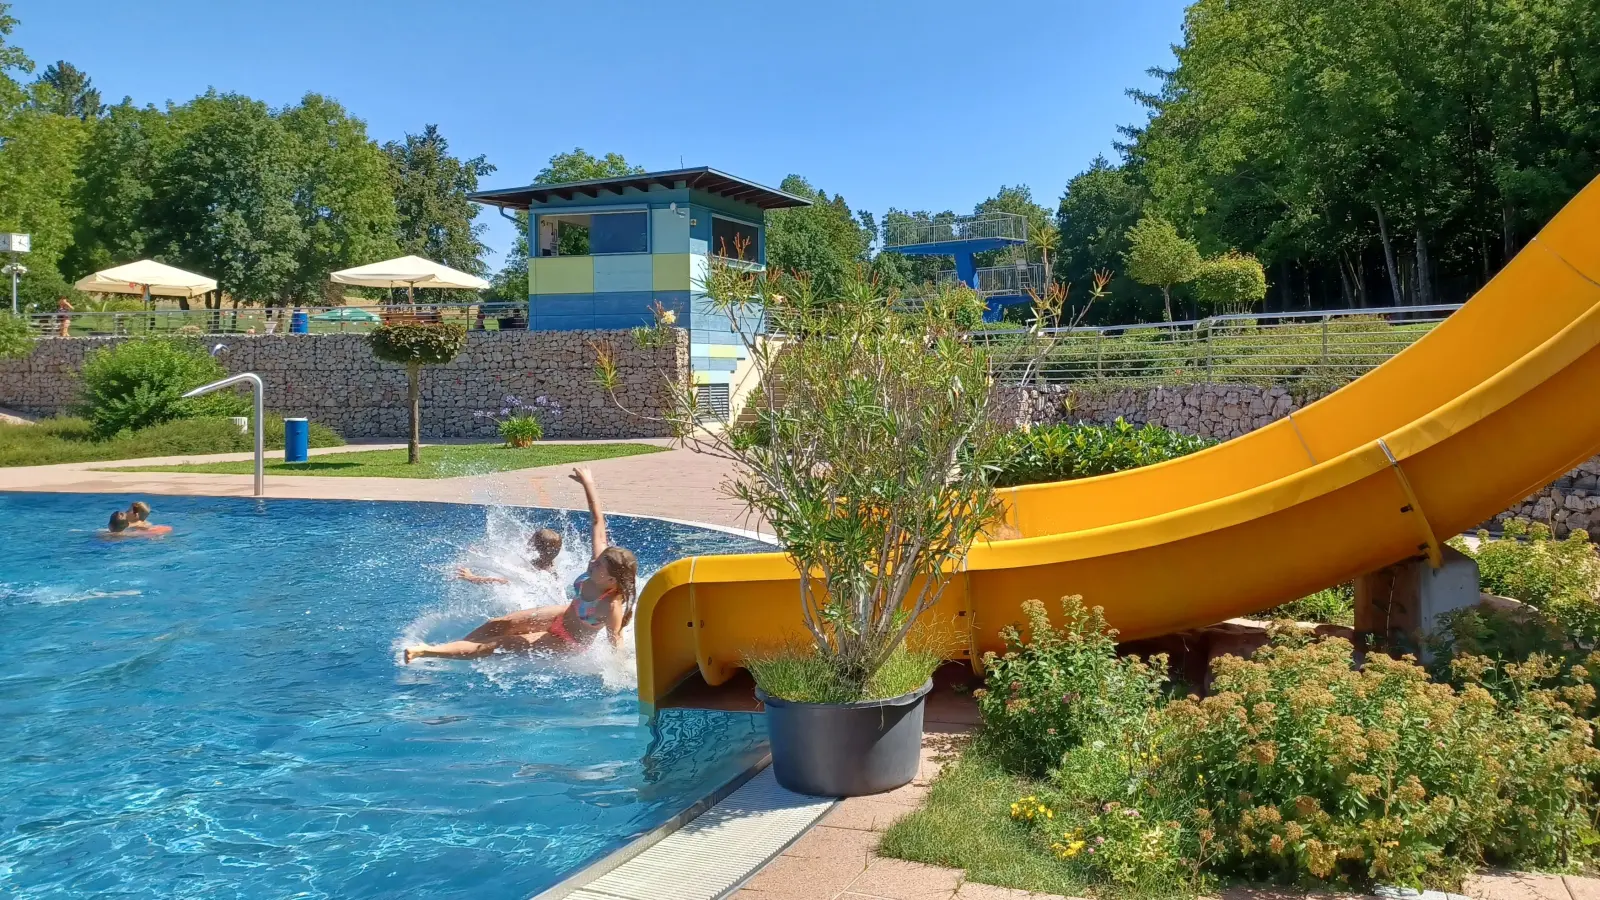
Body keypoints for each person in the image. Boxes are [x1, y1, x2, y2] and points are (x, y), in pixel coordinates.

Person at [405, 469, 638, 663]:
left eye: (599, 565)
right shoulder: (598, 567)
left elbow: (615, 641)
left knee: (495, 645)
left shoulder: (610, 606)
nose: (592, 562)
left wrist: (619, 674)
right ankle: (455, 648)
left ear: (610, 580)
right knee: (499, 624)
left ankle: (427, 652)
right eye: (597, 560)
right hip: (561, 614)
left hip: (566, 640)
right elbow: (598, 521)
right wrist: (588, 483)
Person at [455, 527, 562, 584]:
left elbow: (500, 582)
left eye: (531, 538)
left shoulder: (529, 574)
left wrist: (471, 577)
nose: (528, 539)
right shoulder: (550, 566)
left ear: (533, 547)